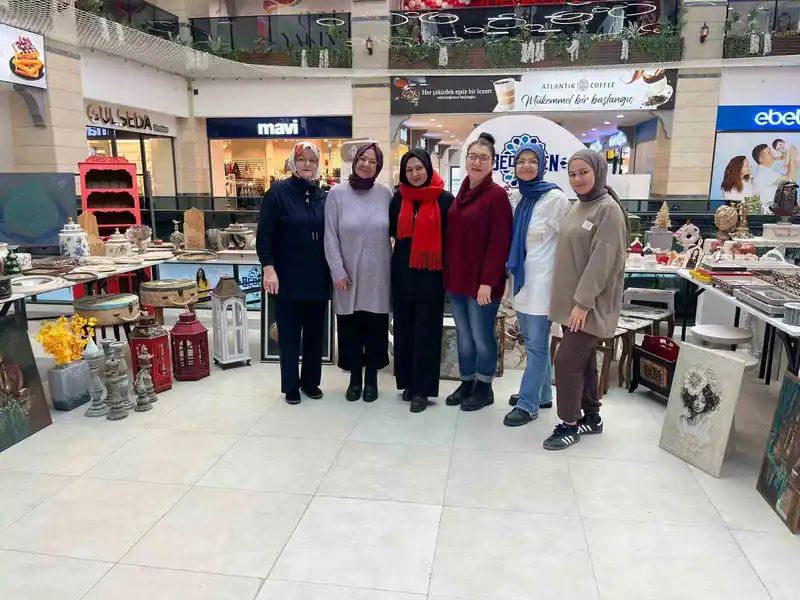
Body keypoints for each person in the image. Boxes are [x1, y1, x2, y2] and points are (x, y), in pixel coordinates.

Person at [546, 148, 627, 451]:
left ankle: (569, 424)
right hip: (574, 304)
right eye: (572, 174)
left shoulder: (608, 210)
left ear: (598, 172)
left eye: (584, 172)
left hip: (588, 305)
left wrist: (582, 304)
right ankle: (591, 417)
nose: (577, 179)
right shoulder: (578, 206)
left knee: (566, 362)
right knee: (583, 362)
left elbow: (603, 261)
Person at [443, 132, 513, 412]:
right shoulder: (462, 193)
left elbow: (499, 243)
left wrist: (487, 282)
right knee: (464, 335)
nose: (477, 162)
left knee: (482, 336)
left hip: (482, 284)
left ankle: (484, 386)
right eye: (473, 157)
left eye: (484, 158)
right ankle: (467, 381)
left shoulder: (497, 196)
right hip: (458, 280)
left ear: (493, 163)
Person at [256, 142, 330, 405]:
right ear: (293, 162)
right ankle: (291, 386)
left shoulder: (323, 196)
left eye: (312, 160)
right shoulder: (277, 193)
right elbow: (265, 234)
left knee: (314, 334)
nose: (307, 164)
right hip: (286, 277)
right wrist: (268, 268)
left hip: (317, 277)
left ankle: (310, 382)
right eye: (302, 159)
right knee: (288, 335)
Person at [503, 142, 570, 427]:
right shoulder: (518, 196)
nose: (526, 166)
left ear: (542, 165)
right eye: (521, 161)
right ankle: (542, 395)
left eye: (532, 161)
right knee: (534, 341)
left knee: (536, 345)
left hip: (543, 283)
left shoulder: (555, 199)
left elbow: (569, 243)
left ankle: (528, 404)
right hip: (521, 280)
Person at [325, 142, 393, 403]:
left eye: (373, 161)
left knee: (376, 329)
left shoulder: (385, 194)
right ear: (355, 161)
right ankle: (354, 378)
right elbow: (330, 236)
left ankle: (372, 379)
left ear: (379, 166)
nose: (366, 164)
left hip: (378, 276)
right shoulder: (336, 194)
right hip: (347, 277)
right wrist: (337, 270)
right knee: (350, 329)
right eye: (363, 159)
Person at [390, 148, 455, 414]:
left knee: (426, 333)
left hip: (431, 277)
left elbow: (452, 241)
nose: (415, 174)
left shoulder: (445, 200)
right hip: (402, 276)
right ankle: (408, 383)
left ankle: (422, 390)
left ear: (428, 168)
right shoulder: (398, 199)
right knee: (404, 331)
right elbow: (391, 233)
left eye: (419, 168)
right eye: (409, 170)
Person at [752, 143, 798, 212]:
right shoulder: (765, 173)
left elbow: (787, 176)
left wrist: (786, 158)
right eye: (769, 153)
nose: (773, 154)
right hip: (768, 214)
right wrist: (792, 157)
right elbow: (790, 181)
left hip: (768, 212)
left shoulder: (765, 172)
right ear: (761, 159)